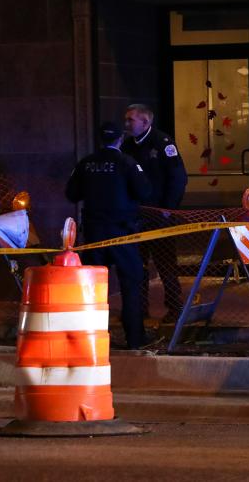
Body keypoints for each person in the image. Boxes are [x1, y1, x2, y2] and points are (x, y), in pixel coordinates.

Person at [66, 121, 151, 349]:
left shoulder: (85, 164)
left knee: (93, 290)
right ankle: (135, 339)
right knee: (131, 287)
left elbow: (71, 194)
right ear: (120, 139)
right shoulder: (127, 163)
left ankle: (92, 340)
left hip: (94, 236)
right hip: (123, 234)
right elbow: (144, 191)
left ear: (100, 139)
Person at [121, 103, 188, 323]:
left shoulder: (162, 143)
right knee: (136, 264)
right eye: (127, 119)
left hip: (160, 215)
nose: (127, 124)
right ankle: (139, 309)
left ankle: (175, 308)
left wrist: (168, 208)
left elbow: (178, 178)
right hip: (136, 215)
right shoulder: (128, 146)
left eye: (131, 120)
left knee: (166, 263)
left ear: (146, 122)